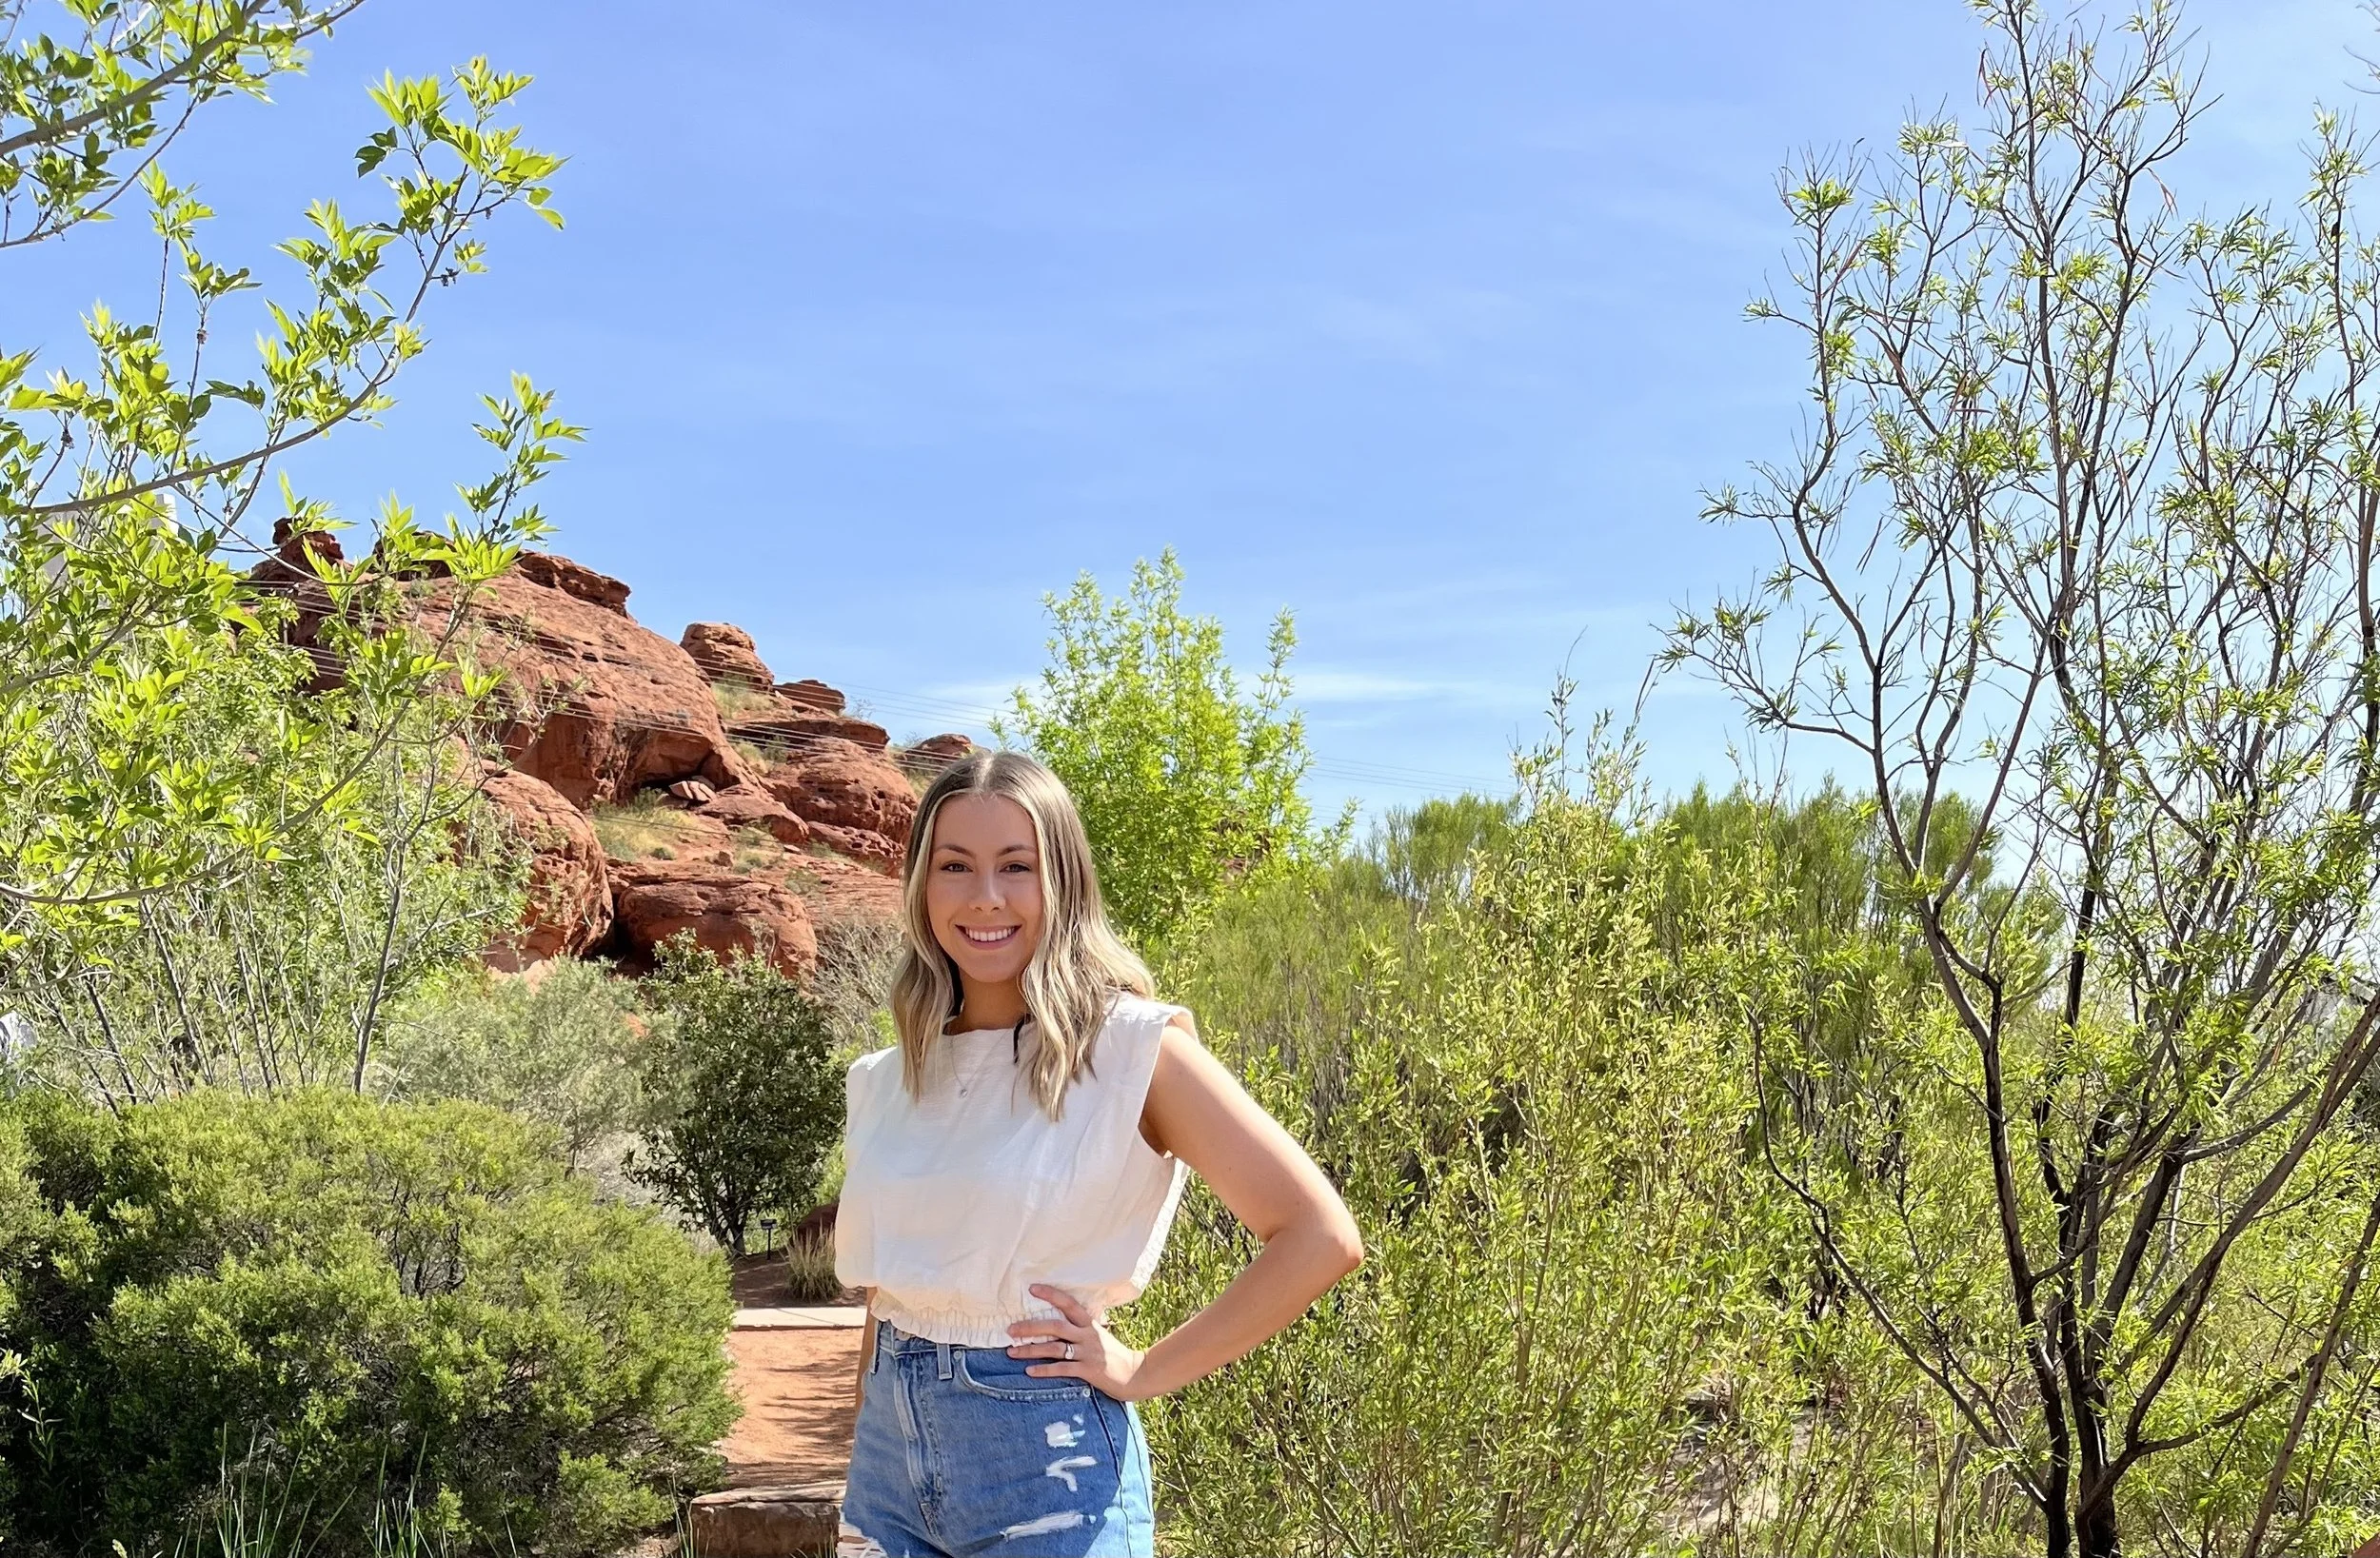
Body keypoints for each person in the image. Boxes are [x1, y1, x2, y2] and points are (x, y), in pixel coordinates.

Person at [832, 750, 1363, 1557]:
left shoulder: (1128, 1050)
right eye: (955, 865)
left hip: (1046, 1463)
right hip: (888, 1474)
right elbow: (891, 1291)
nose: (985, 896)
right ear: (920, 886)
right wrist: (870, 1447)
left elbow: (1319, 1235)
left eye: (1018, 865)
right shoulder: (887, 1076)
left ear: (1064, 881)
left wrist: (1144, 1367)